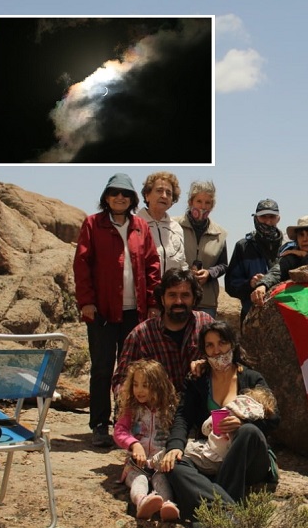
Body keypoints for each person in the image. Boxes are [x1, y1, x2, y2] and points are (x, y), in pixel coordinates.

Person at [159, 321, 280, 521]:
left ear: (232, 344)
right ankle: (228, 514)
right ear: (203, 350)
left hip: (249, 459)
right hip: (212, 456)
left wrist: (241, 423)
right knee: (173, 464)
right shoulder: (198, 380)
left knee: (248, 432)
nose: (217, 351)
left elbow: (274, 417)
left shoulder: (251, 377)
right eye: (210, 345)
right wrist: (174, 446)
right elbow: (183, 416)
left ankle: (212, 513)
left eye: (222, 343)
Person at [74, 173, 161, 448]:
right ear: (106, 197)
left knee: (131, 372)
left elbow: (152, 265)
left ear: (133, 199)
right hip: (101, 310)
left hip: (134, 312)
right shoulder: (92, 224)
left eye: (125, 194)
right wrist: (86, 301)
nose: (120, 198)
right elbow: (82, 264)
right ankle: (99, 424)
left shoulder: (140, 226)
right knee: (102, 368)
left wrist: (153, 303)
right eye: (114, 193)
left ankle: (125, 422)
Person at [113, 268, 215, 395]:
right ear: (162, 299)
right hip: (157, 410)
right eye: (172, 295)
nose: (179, 301)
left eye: (185, 295)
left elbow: (229, 361)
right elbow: (121, 381)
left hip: (200, 407)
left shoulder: (206, 324)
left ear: (194, 299)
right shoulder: (141, 335)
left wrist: (207, 364)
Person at [113, 359, 180, 521]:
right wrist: (133, 444)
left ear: (158, 385)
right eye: (135, 385)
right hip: (136, 464)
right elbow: (119, 430)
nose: (139, 390)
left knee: (162, 480)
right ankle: (142, 502)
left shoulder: (169, 410)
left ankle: (167, 505)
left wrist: (168, 453)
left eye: (145, 385)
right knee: (139, 480)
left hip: (160, 463)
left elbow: (176, 434)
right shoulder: (132, 408)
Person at [177, 387, 277, 476]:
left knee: (184, 453)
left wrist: (210, 427)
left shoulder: (231, 408)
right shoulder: (256, 417)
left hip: (210, 457)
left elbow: (205, 428)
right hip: (228, 462)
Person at [251, 215, 308, 307]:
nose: (305, 239)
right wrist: (263, 284)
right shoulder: (291, 257)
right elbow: (277, 271)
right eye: (301, 235)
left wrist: (305, 256)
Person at [224, 199, 286, 322]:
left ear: (278, 219)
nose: (268, 222)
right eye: (263, 217)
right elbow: (231, 285)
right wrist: (250, 284)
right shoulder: (243, 247)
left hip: (283, 317)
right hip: (251, 317)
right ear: (256, 218)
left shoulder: (288, 247)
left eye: (272, 217)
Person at [177, 180, 228, 318]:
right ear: (190, 202)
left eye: (207, 203)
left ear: (212, 205)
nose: (203, 206)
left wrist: (209, 273)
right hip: (178, 297)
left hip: (206, 301)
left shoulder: (220, 233)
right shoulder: (174, 226)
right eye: (199, 201)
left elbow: (223, 265)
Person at [137, 171, 187, 273]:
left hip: (171, 288)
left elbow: (182, 264)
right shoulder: (134, 224)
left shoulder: (176, 228)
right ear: (147, 195)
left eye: (169, 193)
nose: (164, 196)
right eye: (159, 190)